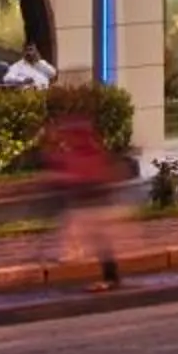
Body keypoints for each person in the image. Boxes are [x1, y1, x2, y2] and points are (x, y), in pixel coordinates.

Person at [44, 104, 121, 288]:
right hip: (88, 200)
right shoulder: (83, 149)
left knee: (98, 239)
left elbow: (86, 173)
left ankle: (109, 277)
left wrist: (65, 178)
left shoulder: (85, 150)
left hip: (92, 201)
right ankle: (107, 275)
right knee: (95, 237)